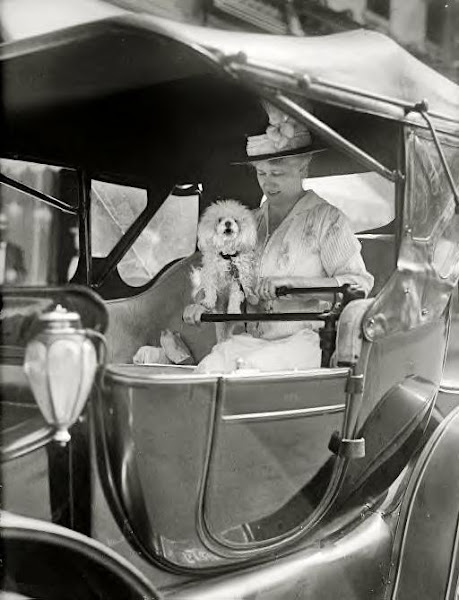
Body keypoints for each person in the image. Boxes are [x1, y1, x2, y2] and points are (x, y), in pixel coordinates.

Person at [183, 103, 374, 372]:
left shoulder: (327, 220)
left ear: (303, 169)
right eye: (262, 173)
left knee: (247, 371)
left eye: (278, 174)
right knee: (207, 370)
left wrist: (292, 283)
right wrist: (204, 303)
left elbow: (358, 285)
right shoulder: (249, 223)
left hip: (306, 343)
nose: (268, 183)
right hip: (252, 342)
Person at [0, 212, 26, 285]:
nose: (1, 227)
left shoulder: (16, 251)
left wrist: (15, 275)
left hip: (8, 293)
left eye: (3, 224)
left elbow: (23, 274)